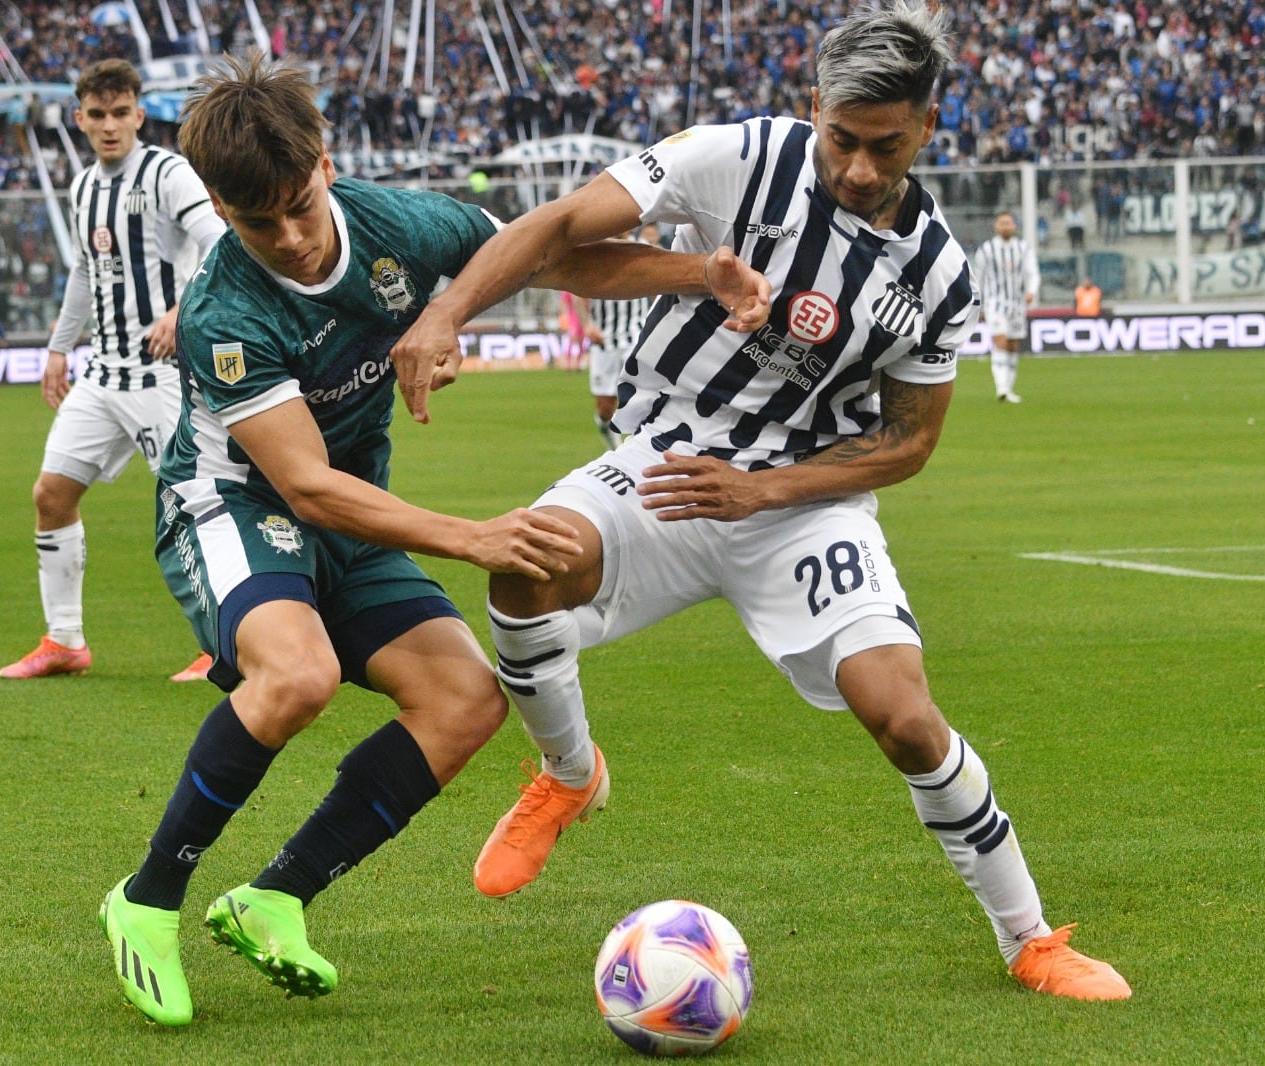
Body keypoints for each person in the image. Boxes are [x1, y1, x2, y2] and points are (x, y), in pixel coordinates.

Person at [393, 0, 1130, 1003]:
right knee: (529, 557)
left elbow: (907, 442)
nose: (859, 168)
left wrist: (764, 491)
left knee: (903, 716)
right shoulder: (733, 156)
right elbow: (560, 237)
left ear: (926, 126)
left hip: (800, 505)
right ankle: (568, 772)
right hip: (666, 461)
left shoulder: (937, 279)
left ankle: (1030, 937)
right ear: (811, 106)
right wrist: (449, 316)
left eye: (885, 146)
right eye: (840, 139)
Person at [96, 51, 769, 1028]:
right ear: (216, 205)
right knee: (296, 675)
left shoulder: (400, 224)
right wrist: (472, 536)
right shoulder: (222, 308)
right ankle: (147, 898)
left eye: (297, 204)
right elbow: (305, 484)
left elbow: (546, 256)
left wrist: (698, 273)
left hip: (351, 511)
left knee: (463, 699)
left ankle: (275, 897)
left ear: (324, 160)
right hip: (235, 507)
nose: (285, 236)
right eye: (255, 222)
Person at [0, 59, 224, 682]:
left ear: (138, 114)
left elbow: (217, 240)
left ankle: (222, 645)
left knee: (195, 502)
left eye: (120, 112)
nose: (108, 125)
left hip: (163, 372)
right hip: (103, 374)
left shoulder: (167, 172)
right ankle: (65, 641)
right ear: (79, 118)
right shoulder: (82, 187)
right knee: (51, 494)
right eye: (96, 114)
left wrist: (182, 311)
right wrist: (58, 347)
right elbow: (83, 271)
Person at [575, 222, 662, 448]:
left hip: (636, 335)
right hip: (604, 340)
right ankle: (614, 446)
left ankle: (640, 449)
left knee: (641, 396)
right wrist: (587, 326)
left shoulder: (642, 248)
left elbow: (658, 286)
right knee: (605, 407)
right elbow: (576, 291)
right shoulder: (593, 251)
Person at [972, 211, 1039, 403]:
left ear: (1014, 226)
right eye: (1002, 223)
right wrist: (979, 303)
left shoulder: (1023, 248)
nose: (1005, 226)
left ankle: (1008, 388)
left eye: (1008, 223)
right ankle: (1001, 387)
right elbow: (979, 277)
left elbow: (1032, 272)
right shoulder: (986, 249)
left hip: (1017, 304)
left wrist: (1031, 291)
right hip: (995, 303)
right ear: (996, 226)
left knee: (1013, 345)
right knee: (1000, 341)